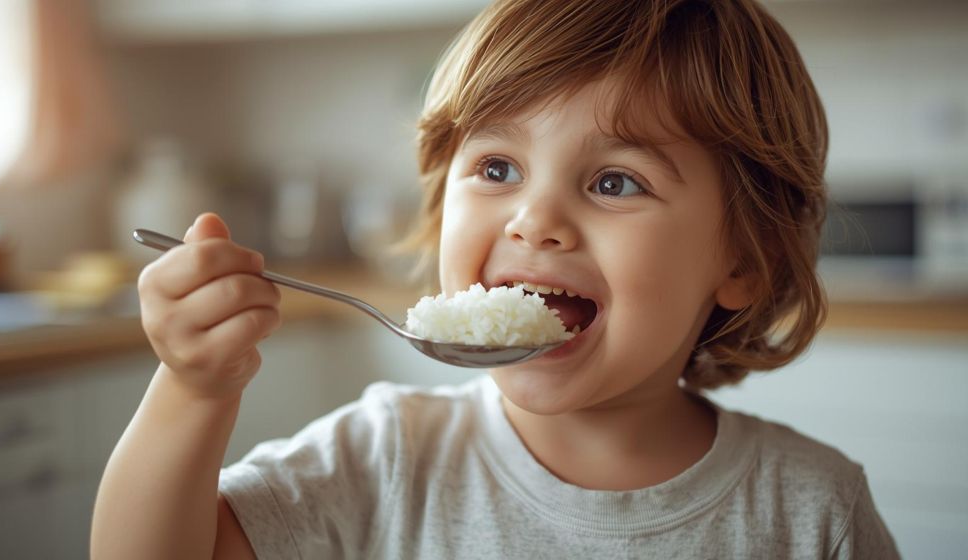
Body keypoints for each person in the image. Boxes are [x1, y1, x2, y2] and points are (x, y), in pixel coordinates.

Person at [91, 0, 900, 558]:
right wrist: (193, 392)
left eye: (616, 181)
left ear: (743, 262)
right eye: (498, 167)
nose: (532, 219)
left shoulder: (811, 511)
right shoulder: (384, 459)